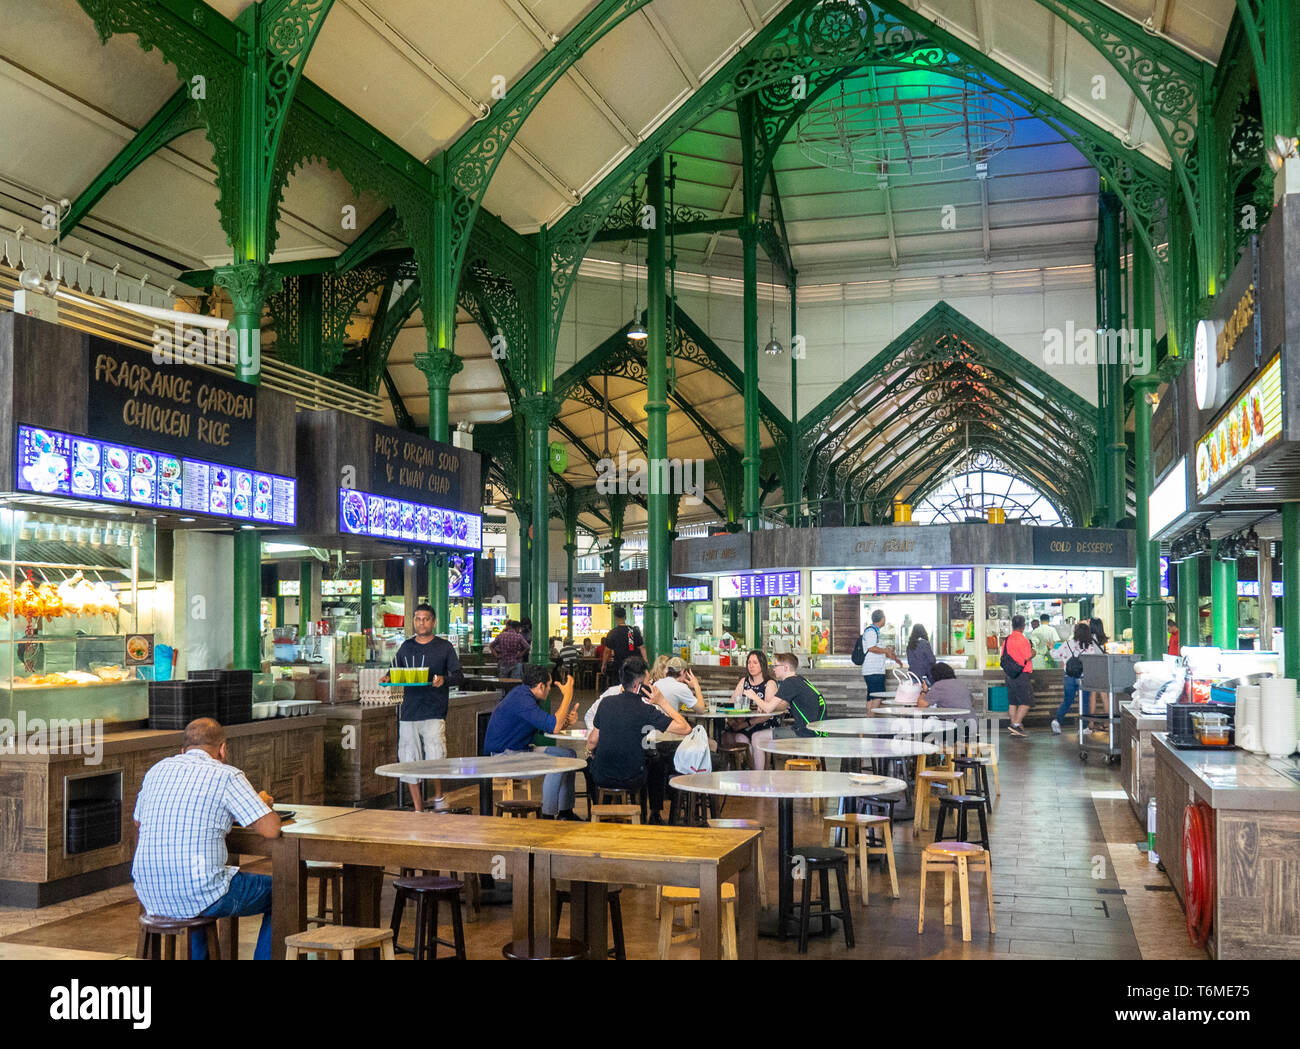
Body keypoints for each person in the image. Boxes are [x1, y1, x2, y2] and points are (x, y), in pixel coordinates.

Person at [132, 718, 280, 960]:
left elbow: (139, 821)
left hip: (149, 891)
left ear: (183, 751)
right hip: (197, 890)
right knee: (281, 890)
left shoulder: (156, 771)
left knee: (198, 891)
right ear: (223, 749)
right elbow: (271, 829)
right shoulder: (227, 775)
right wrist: (259, 803)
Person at [589, 656, 689, 823]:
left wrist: (591, 753)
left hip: (601, 775)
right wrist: (662, 701)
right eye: (648, 681)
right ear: (639, 685)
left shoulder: (605, 703)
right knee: (655, 762)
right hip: (632, 776)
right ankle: (651, 814)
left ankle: (603, 813)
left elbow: (592, 741)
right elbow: (685, 728)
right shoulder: (646, 710)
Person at [386, 604, 464, 812]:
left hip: (434, 710)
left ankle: (438, 796)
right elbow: (393, 672)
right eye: (418, 619)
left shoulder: (444, 647)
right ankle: (418, 808)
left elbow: (458, 675)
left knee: (435, 755)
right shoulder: (406, 647)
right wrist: (387, 678)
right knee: (409, 758)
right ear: (413, 621)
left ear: (434, 621)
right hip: (409, 711)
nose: (422, 622)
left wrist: (443, 680)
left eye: (426, 619)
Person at [482, 663, 582, 819]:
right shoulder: (522, 700)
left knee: (569, 754)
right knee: (558, 763)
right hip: (503, 756)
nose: (550, 690)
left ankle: (565, 812)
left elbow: (548, 725)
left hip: (520, 750)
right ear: (541, 686)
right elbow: (554, 726)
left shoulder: (525, 695)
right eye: (549, 686)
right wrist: (567, 696)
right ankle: (547, 816)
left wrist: (567, 721)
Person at [749, 653, 828, 769]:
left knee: (757, 737)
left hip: (806, 733)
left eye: (775, 666)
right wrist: (766, 705)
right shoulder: (800, 680)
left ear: (785, 668)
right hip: (816, 731)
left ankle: (758, 778)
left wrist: (754, 696)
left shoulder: (789, 683)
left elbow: (768, 708)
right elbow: (782, 706)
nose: (773, 669)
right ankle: (765, 769)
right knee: (764, 735)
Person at [720, 649, 781, 755]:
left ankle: (754, 768)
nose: (751, 666)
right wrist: (730, 720)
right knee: (729, 736)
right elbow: (731, 703)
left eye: (755, 663)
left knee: (747, 736)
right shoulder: (744, 681)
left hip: (763, 723)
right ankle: (740, 767)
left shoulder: (769, 683)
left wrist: (744, 724)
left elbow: (768, 714)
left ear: (762, 665)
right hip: (744, 723)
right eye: (749, 662)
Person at [1050, 621, 1102, 734]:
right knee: (1084, 702)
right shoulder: (1090, 647)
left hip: (1069, 676)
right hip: (1084, 677)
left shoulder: (1067, 644)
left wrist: (1051, 648)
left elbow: (1055, 656)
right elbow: (1093, 662)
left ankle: (1057, 720)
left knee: (1067, 700)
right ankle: (1083, 728)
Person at [859, 608, 899, 706]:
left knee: (871, 696)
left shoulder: (874, 631)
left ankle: (869, 719)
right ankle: (871, 719)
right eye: (884, 617)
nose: (885, 619)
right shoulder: (871, 631)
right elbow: (872, 647)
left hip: (873, 670)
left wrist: (887, 650)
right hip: (874, 670)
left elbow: (875, 647)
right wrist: (885, 650)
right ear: (881, 619)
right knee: (878, 696)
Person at [1003, 614, 1034, 737]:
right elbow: (1027, 656)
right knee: (1026, 701)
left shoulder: (1007, 639)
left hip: (1010, 674)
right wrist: (1034, 653)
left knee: (1013, 702)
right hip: (1021, 674)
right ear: (1023, 626)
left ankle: (1015, 727)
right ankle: (1016, 724)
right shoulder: (1023, 639)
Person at [600, 606, 646, 688]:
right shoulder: (633, 631)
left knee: (619, 686)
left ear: (615, 617)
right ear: (625, 617)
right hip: (633, 665)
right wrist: (646, 662)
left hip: (619, 665)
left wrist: (604, 664)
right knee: (634, 685)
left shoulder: (613, 633)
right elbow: (642, 648)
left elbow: (607, 651)